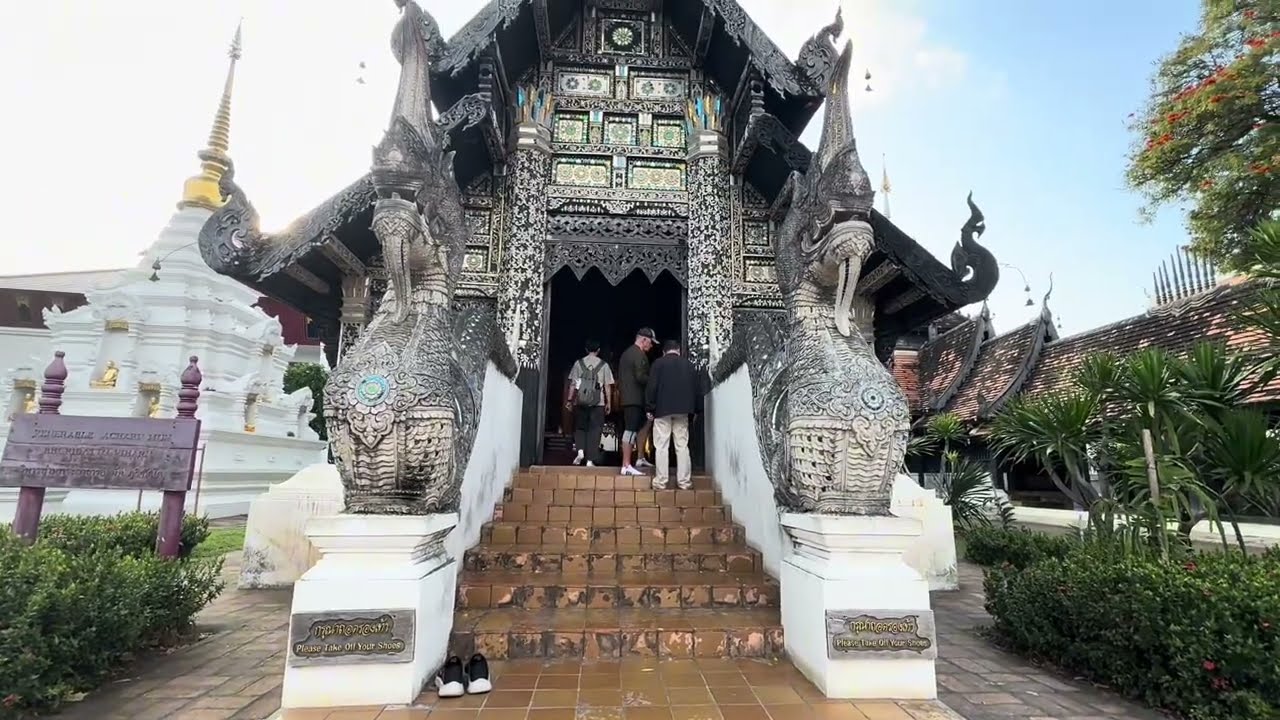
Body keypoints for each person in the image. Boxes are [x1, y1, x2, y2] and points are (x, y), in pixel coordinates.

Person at [645, 339, 701, 490]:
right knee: (682, 446)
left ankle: (661, 481)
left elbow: (651, 387)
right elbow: (696, 389)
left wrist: (650, 408)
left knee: (661, 445)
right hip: (683, 411)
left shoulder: (658, 364)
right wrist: (696, 410)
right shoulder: (689, 365)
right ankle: (684, 482)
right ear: (679, 351)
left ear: (664, 352)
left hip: (662, 410)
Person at [566, 339, 614, 467]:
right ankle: (590, 460)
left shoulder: (578, 363)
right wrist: (609, 403)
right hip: (598, 403)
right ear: (598, 350)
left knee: (580, 428)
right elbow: (607, 386)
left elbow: (573, 384)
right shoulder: (604, 365)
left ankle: (580, 451)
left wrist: (570, 400)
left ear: (586, 349)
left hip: (580, 401)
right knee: (595, 430)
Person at [617, 327, 657, 476]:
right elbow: (640, 377)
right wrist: (655, 380)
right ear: (643, 340)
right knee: (630, 431)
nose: (651, 346)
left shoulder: (627, 353)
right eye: (650, 342)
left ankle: (634, 460)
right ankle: (626, 465)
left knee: (633, 429)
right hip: (635, 399)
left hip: (628, 398)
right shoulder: (639, 354)